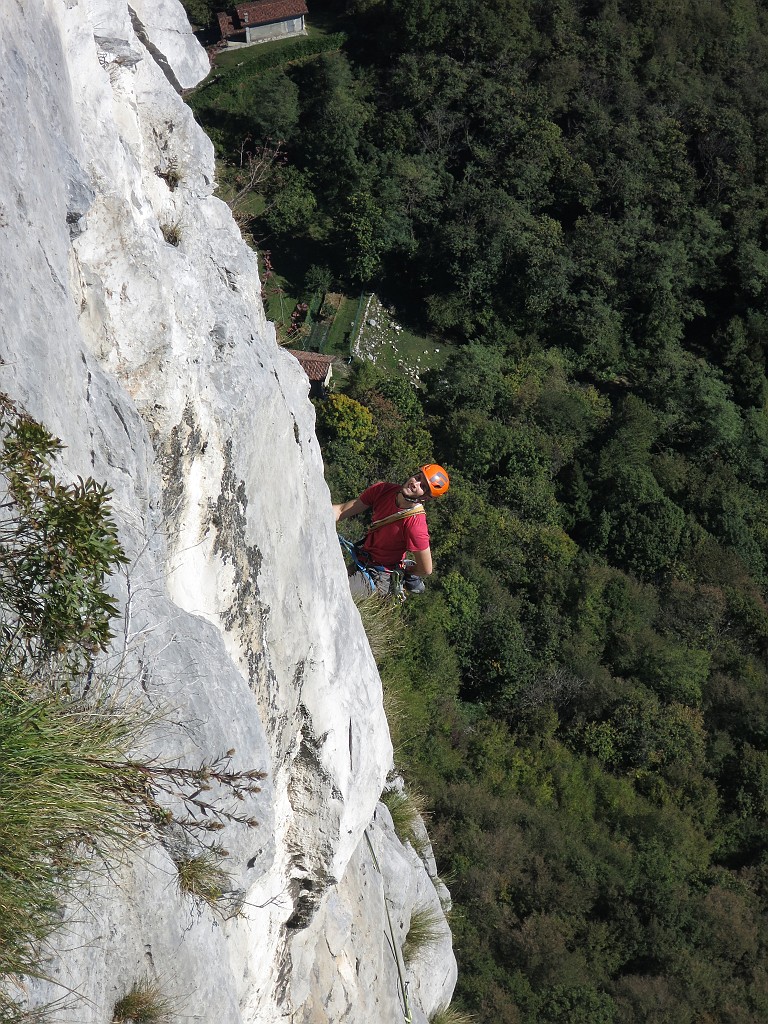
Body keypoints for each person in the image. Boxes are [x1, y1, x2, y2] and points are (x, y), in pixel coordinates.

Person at [333, 464, 450, 596]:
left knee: (336, 591)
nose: (415, 484)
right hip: (363, 561)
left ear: (426, 497)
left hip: (380, 576)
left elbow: (426, 569)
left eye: (422, 486)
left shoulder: (416, 524)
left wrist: (406, 570)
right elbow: (341, 511)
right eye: (418, 477)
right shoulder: (383, 490)